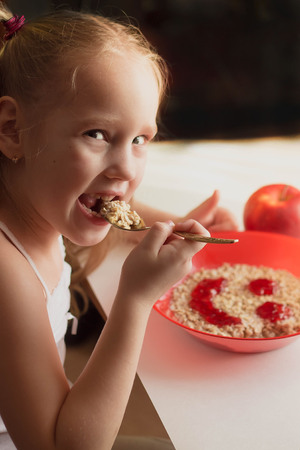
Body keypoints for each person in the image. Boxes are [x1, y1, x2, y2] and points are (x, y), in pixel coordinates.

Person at [0, 4, 238, 450]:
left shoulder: (37, 199)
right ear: (13, 129)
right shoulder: (7, 275)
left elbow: (109, 203)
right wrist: (135, 299)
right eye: (97, 134)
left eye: (139, 140)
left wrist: (165, 222)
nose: (125, 170)